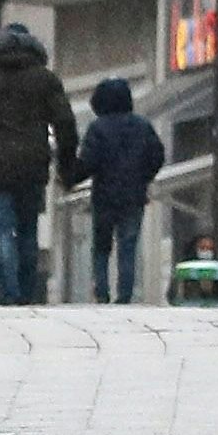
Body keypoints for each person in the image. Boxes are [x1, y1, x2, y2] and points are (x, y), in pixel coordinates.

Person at [0, 24, 80, 306]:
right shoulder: (45, 79)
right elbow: (65, 123)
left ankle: (9, 291)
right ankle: (27, 290)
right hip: (32, 164)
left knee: (1, 228)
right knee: (28, 229)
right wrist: (66, 161)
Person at [76, 78, 166, 305]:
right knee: (128, 245)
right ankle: (124, 293)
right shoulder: (142, 126)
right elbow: (157, 156)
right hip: (134, 195)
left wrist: (73, 175)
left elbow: (88, 161)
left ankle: (102, 290)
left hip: (104, 194)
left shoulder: (98, 128)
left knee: (102, 246)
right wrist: (144, 177)